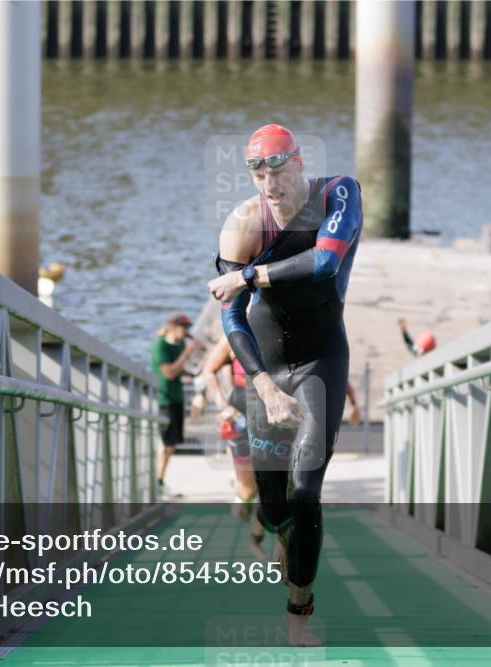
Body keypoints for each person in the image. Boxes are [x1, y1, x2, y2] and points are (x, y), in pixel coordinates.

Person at [207, 124, 362, 647]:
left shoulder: (338, 192)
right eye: (258, 173)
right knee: (273, 507)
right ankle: (282, 536)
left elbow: (325, 262)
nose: (270, 185)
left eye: (278, 170)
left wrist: (249, 277)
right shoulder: (242, 225)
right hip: (267, 368)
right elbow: (232, 320)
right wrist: (263, 384)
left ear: (299, 163)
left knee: (304, 489)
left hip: (322, 359)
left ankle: (301, 610)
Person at [199, 336, 267, 560]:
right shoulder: (233, 335)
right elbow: (208, 371)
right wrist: (222, 404)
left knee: (269, 482)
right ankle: (242, 498)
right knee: (249, 488)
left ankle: (255, 539)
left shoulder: (276, 326)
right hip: (239, 409)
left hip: (270, 409)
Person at [151, 313, 198, 498]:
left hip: (176, 398)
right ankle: (158, 483)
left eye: (188, 328)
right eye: (184, 327)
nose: (187, 332)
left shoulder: (178, 345)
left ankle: (160, 482)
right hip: (165, 399)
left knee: (171, 445)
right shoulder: (160, 345)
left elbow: (177, 369)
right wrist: (188, 353)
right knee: (166, 444)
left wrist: (195, 374)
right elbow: (169, 372)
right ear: (173, 327)